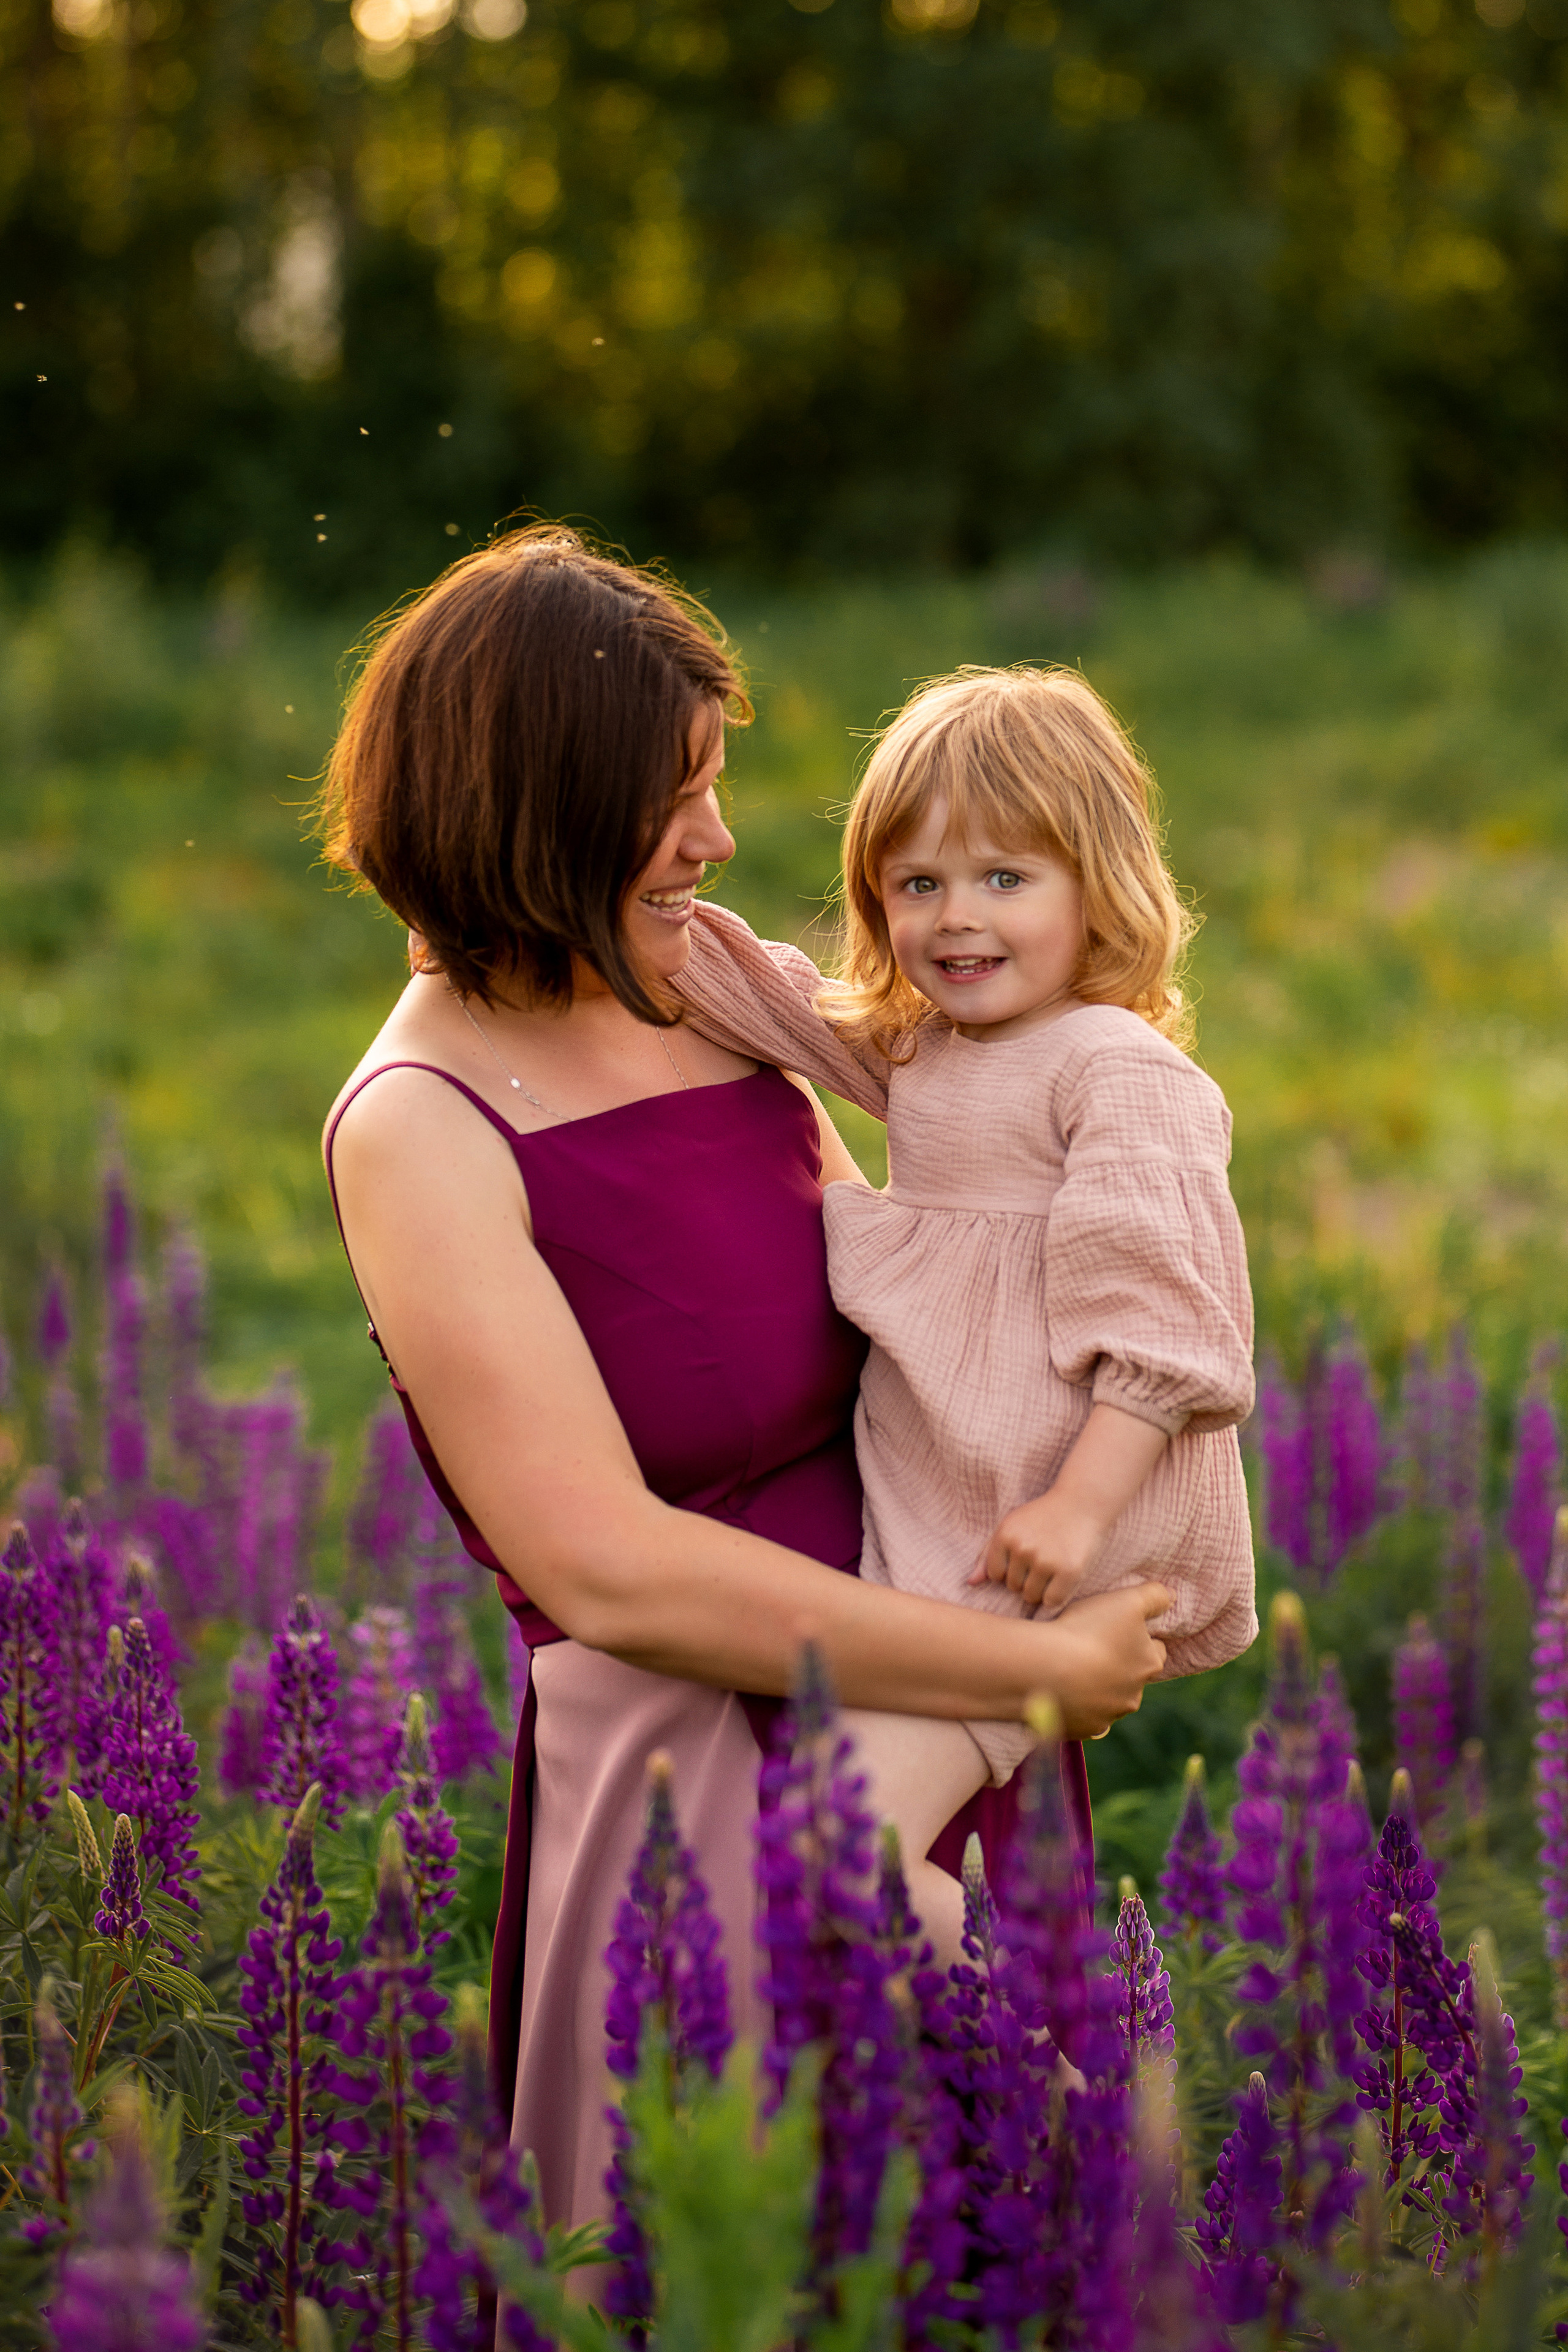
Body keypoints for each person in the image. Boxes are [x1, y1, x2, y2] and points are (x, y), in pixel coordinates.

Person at [317, 532, 1172, 2231]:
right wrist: (1027, 1664)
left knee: (1027, 2256)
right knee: (742, 2265)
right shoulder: (421, 1124)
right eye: (677, 796)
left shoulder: (698, 979)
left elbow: (981, 1182)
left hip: (933, 1716)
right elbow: (604, 1567)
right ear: (537, 810)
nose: (715, 838)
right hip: (708, 1792)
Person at [674, 665, 1257, 1964]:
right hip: (959, 1510)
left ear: (1095, 886)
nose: (953, 918)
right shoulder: (934, 1047)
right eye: (916, 882)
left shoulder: (1118, 1071)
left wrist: (1077, 1510)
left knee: (835, 1849)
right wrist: (571, 930)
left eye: (1004, 878)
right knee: (860, 1843)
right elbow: (769, 1002)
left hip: (1041, 1538)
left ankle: (1072, 2077)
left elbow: (1167, 1337)